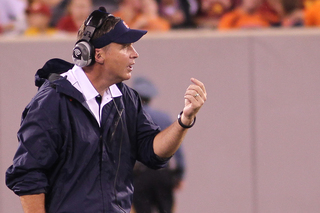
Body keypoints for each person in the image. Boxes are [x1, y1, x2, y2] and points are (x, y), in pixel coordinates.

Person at [5, 6, 207, 213]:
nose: (135, 54)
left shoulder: (126, 98)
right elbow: (28, 174)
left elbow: (153, 153)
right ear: (98, 55)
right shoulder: (51, 102)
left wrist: (185, 120)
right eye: (125, 46)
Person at [131, 76, 186, 213]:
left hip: (140, 175)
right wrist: (180, 174)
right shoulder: (164, 117)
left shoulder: (131, 117)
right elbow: (177, 148)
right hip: (163, 174)